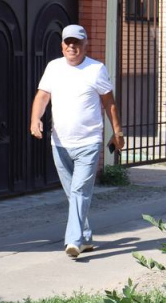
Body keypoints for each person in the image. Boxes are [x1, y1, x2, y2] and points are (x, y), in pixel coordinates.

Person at [30, 24, 125, 258]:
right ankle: (85, 235)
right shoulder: (54, 68)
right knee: (73, 193)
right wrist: (35, 119)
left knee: (80, 190)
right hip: (60, 143)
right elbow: (42, 96)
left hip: (89, 142)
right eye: (67, 42)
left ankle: (73, 241)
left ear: (85, 45)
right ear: (62, 45)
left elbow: (109, 103)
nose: (72, 47)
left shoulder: (96, 69)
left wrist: (118, 131)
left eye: (77, 43)